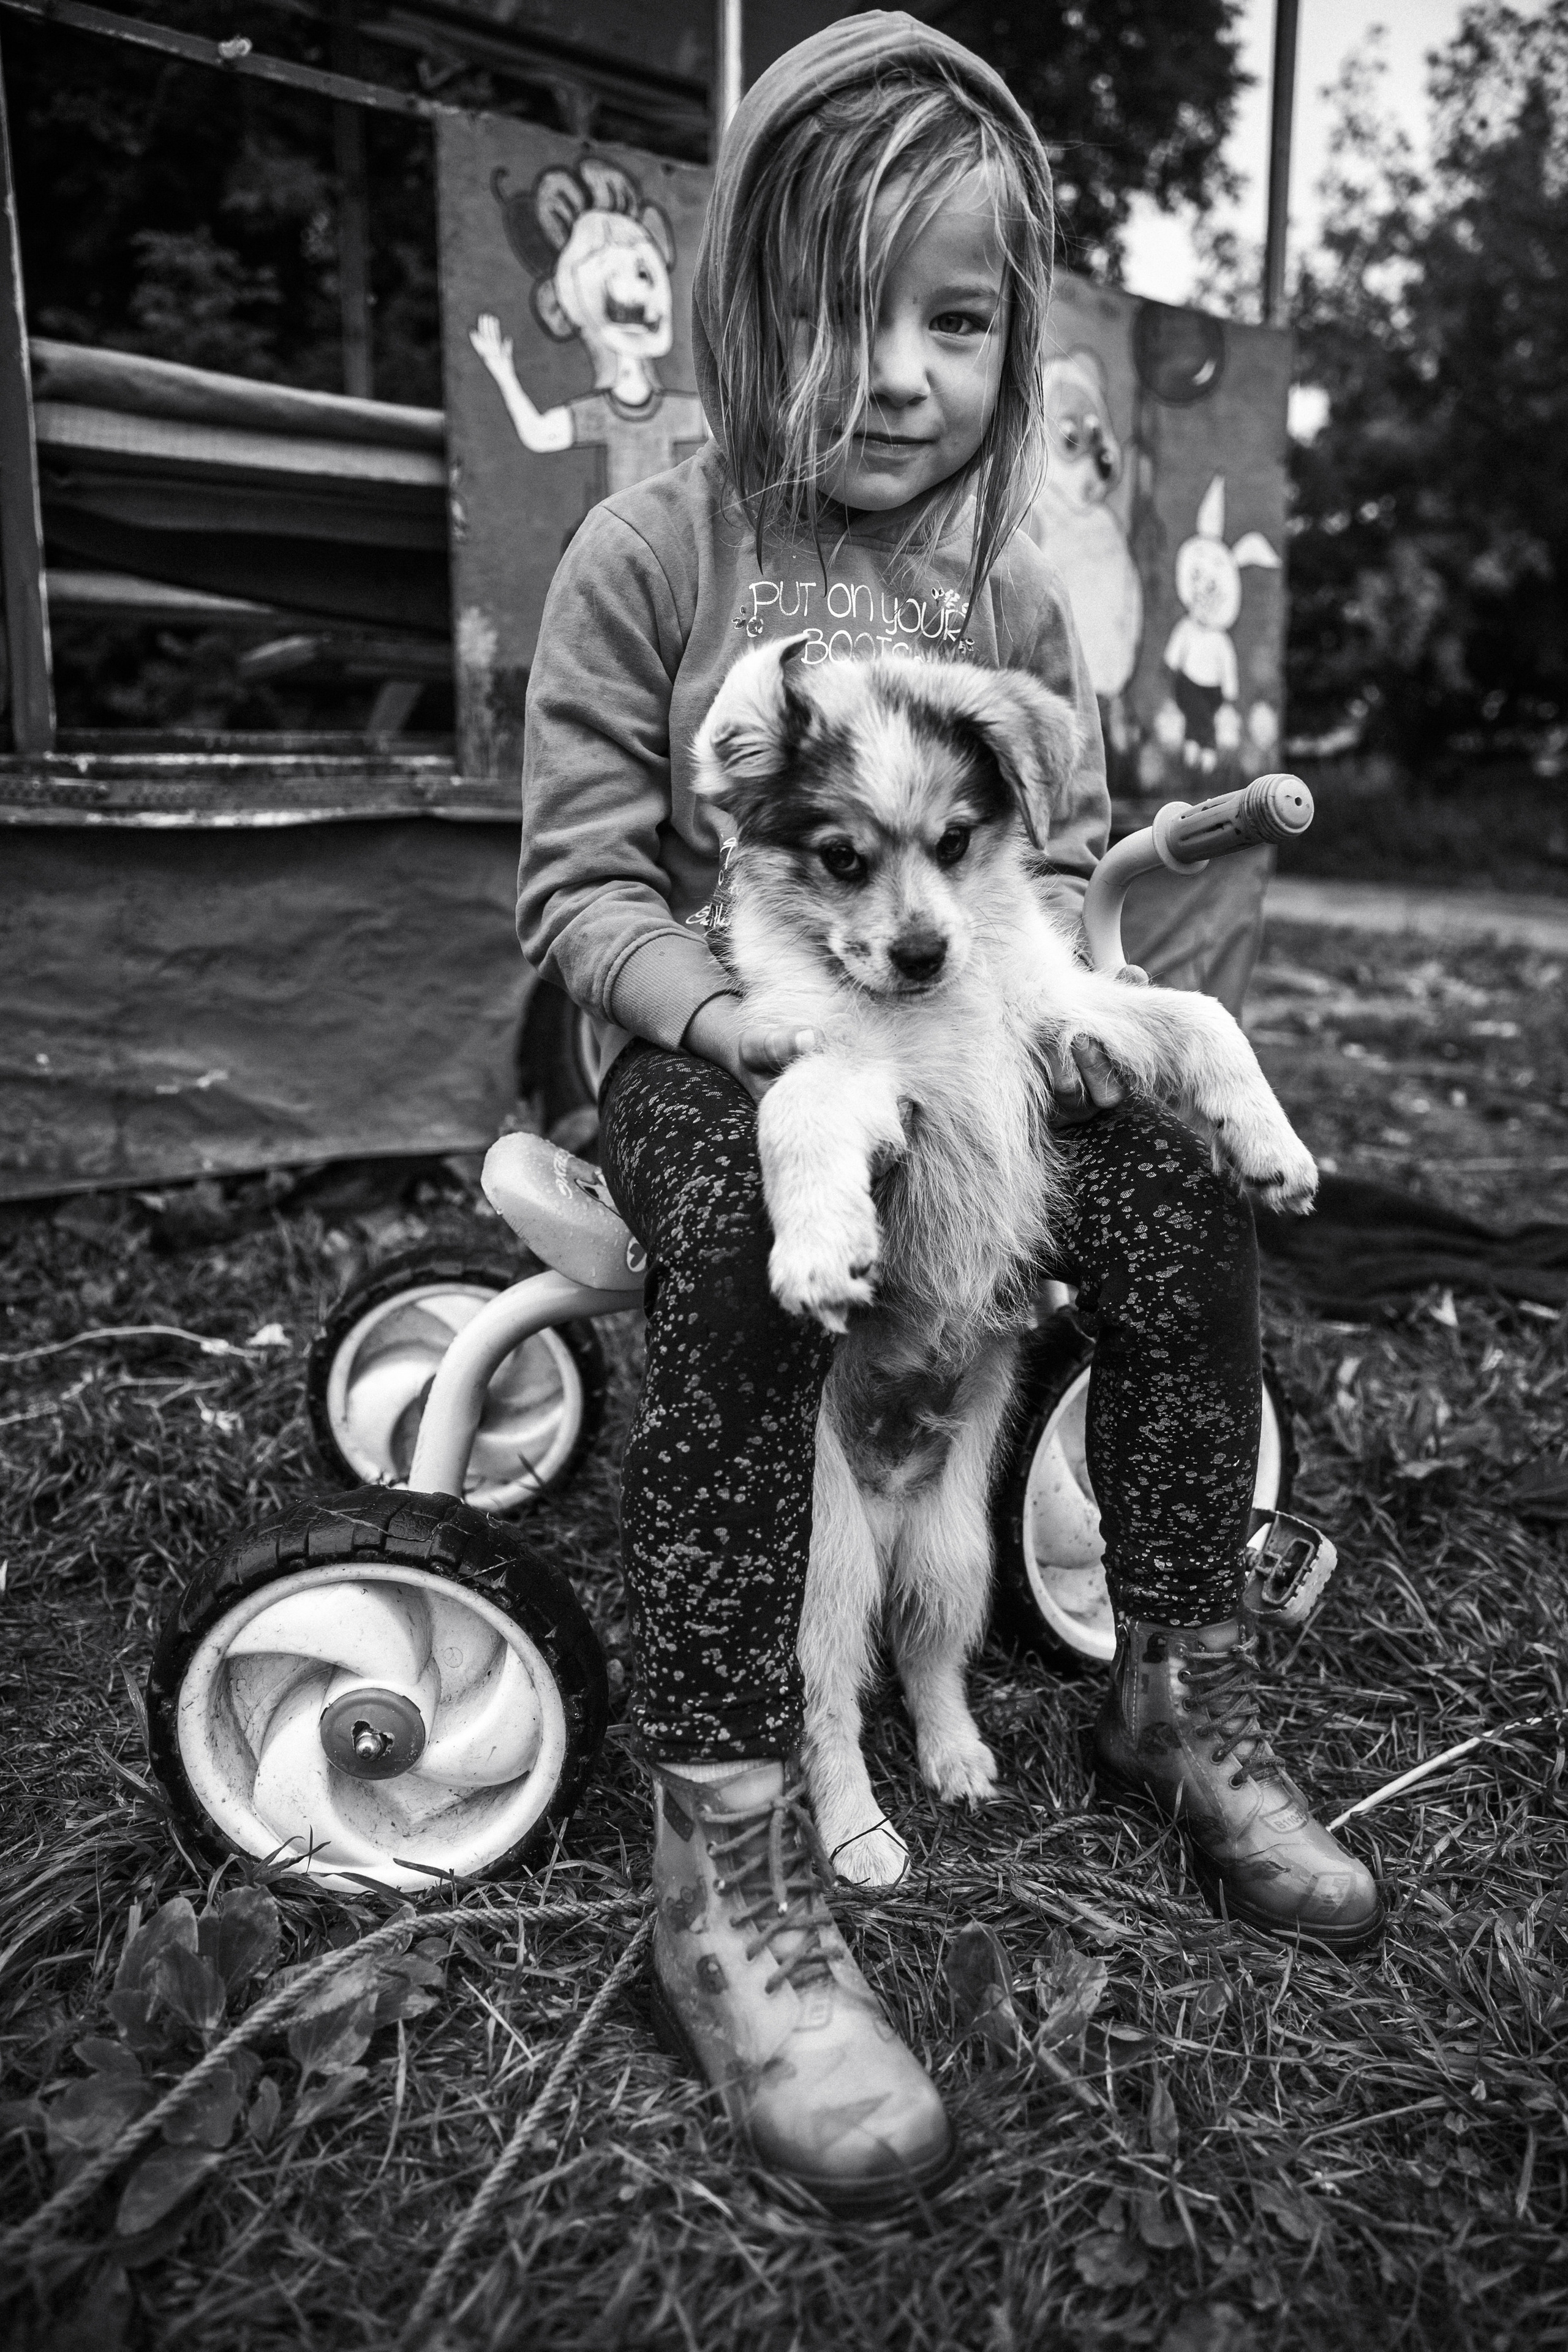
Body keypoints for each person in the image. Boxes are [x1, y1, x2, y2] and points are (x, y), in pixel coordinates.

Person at [518, 11, 1383, 2217]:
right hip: (726, 1061)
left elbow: (1046, 887)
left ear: (1013, 338)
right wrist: (742, 1043)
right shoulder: (648, 550)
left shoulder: (1007, 602)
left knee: (1182, 1185)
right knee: (735, 1238)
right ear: (734, 314)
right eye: (831, 308)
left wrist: (1091, 1030)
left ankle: (1173, 1686)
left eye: (958, 318)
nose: (895, 370)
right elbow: (579, 892)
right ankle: (725, 1852)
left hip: (969, 1045)